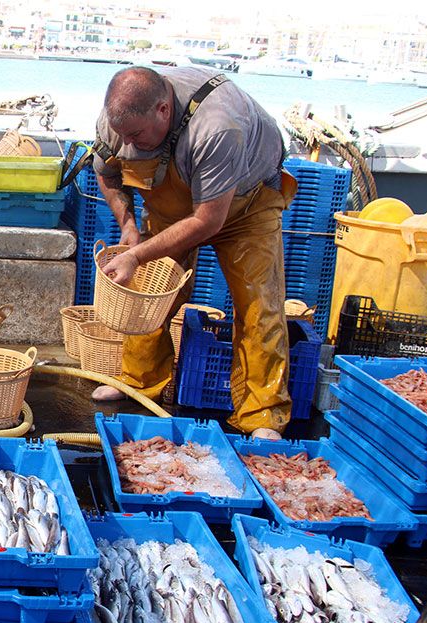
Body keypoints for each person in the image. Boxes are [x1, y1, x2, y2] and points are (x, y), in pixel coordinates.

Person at [90, 66, 297, 440]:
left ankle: (262, 413)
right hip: (173, 208)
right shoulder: (117, 121)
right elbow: (108, 175)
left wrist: (137, 256)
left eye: (136, 135)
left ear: (163, 110)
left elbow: (207, 221)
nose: (129, 144)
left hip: (245, 207)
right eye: (122, 135)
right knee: (149, 295)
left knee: (258, 305)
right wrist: (128, 226)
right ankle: (138, 381)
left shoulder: (217, 126)